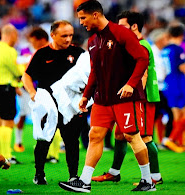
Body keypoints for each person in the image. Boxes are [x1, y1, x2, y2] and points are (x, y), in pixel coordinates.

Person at [58, 1, 155, 192]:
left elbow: (143, 58)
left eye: (83, 18)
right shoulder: (93, 41)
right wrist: (86, 95)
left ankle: (148, 181)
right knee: (94, 135)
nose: (81, 23)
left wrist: (130, 84)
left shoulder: (121, 33)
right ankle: (84, 181)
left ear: (95, 15)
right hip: (102, 98)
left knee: (131, 136)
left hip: (125, 98)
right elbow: (95, 70)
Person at [92, 10, 163, 185]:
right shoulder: (127, 43)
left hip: (142, 99)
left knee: (144, 137)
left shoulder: (141, 44)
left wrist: (135, 99)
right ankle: (114, 172)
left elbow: (143, 75)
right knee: (120, 134)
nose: (118, 29)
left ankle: (155, 177)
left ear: (134, 26)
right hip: (130, 99)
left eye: (122, 26)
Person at [22, 20, 88, 185]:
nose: (68, 39)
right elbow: (26, 76)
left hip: (70, 107)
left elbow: (90, 75)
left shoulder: (79, 53)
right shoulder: (42, 54)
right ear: (53, 35)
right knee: (44, 140)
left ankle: (73, 176)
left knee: (72, 141)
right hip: (48, 105)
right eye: (64, 35)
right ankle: (39, 173)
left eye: (70, 35)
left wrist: (85, 93)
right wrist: (32, 93)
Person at [0, 24, 22, 164]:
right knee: (8, 121)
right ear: (11, 34)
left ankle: (1, 153)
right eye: (16, 36)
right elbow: (16, 70)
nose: (17, 39)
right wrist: (23, 71)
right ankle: (7, 154)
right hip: (6, 88)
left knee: (0, 120)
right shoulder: (9, 50)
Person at [14, 27, 50, 153]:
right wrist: (17, 85)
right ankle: (18, 142)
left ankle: (43, 144)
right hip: (26, 89)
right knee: (23, 115)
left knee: (45, 116)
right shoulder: (25, 50)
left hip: (41, 89)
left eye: (33, 40)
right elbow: (19, 69)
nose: (31, 43)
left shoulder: (48, 51)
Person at [161, 25, 185, 151]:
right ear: (181, 35)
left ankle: (178, 143)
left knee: (177, 116)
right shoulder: (178, 49)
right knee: (183, 115)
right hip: (179, 84)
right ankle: (171, 139)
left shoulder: (165, 49)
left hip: (168, 84)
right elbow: (182, 67)